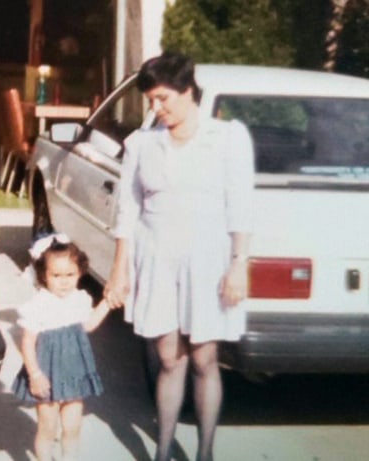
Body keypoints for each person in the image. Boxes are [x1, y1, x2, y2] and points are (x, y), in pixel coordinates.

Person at [103, 51, 254, 461]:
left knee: (204, 357)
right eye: (151, 101)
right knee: (169, 358)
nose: (157, 109)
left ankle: (205, 452)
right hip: (156, 259)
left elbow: (240, 205)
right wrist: (120, 271)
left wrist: (239, 264)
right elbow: (128, 210)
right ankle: (164, 449)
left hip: (208, 261)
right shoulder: (141, 144)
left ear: (188, 91)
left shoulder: (226, 137)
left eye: (164, 98)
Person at [13, 234, 115, 461]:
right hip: (46, 374)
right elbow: (28, 342)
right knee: (48, 430)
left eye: (70, 274)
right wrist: (35, 375)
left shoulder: (80, 299)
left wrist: (107, 303)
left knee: (72, 428)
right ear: (43, 276)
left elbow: (88, 325)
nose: (64, 281)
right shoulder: (39, 304)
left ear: (80, 273)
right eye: (56, 275)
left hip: (74, 372)